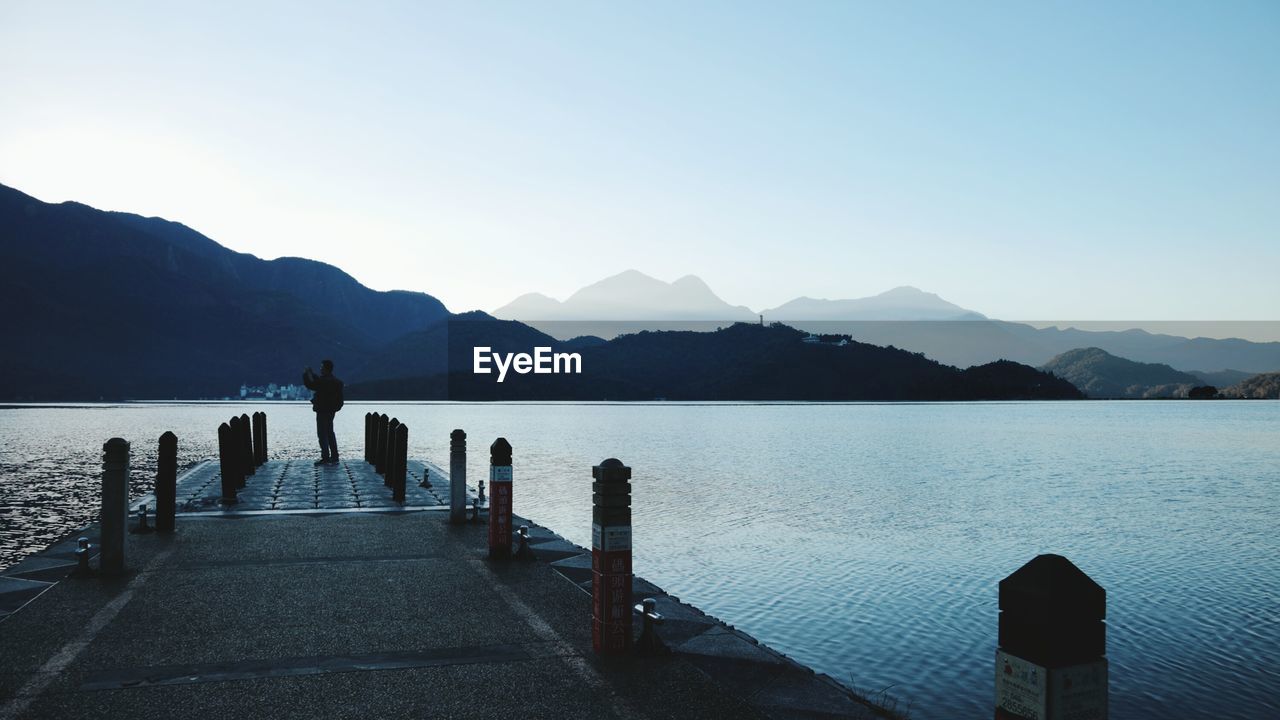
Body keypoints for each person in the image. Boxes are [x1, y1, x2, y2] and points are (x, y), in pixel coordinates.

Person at [302, 359, 344, 465]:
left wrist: (307, 373)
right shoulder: (337, 382)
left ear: (325, 369)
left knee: (322, 434)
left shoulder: (323, 382)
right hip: (331, 411)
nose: (320, 369)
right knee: (330, 432)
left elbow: (312, 384)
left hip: (322, 410)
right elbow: (318, 381)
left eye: (321, 367)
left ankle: (325, 457)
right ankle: (335, 456)